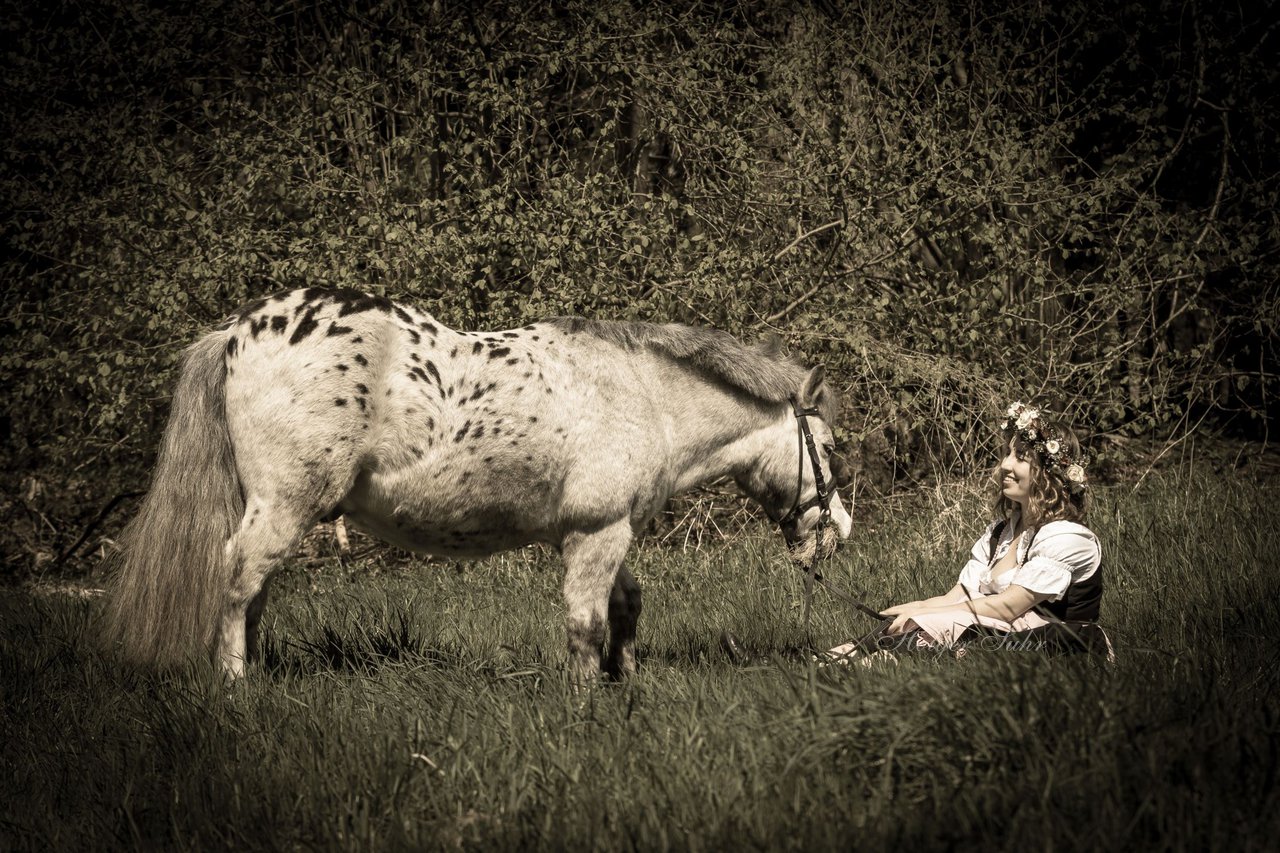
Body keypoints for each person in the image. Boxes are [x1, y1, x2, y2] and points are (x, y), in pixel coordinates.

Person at [823, 401, 1110, 665]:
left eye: (1020, 457)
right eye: (1008, 454)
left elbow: (1008, 608)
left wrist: (924, 616)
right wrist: (906, 611)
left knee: (942, 627)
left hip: (1055, 648)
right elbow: (956, 597)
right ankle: (851, 655)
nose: (1005, 465)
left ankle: (877, 661)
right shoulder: (1002, 533)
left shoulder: (1067, 537)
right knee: (910, 625)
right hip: (997, 634)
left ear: (1047, 472)